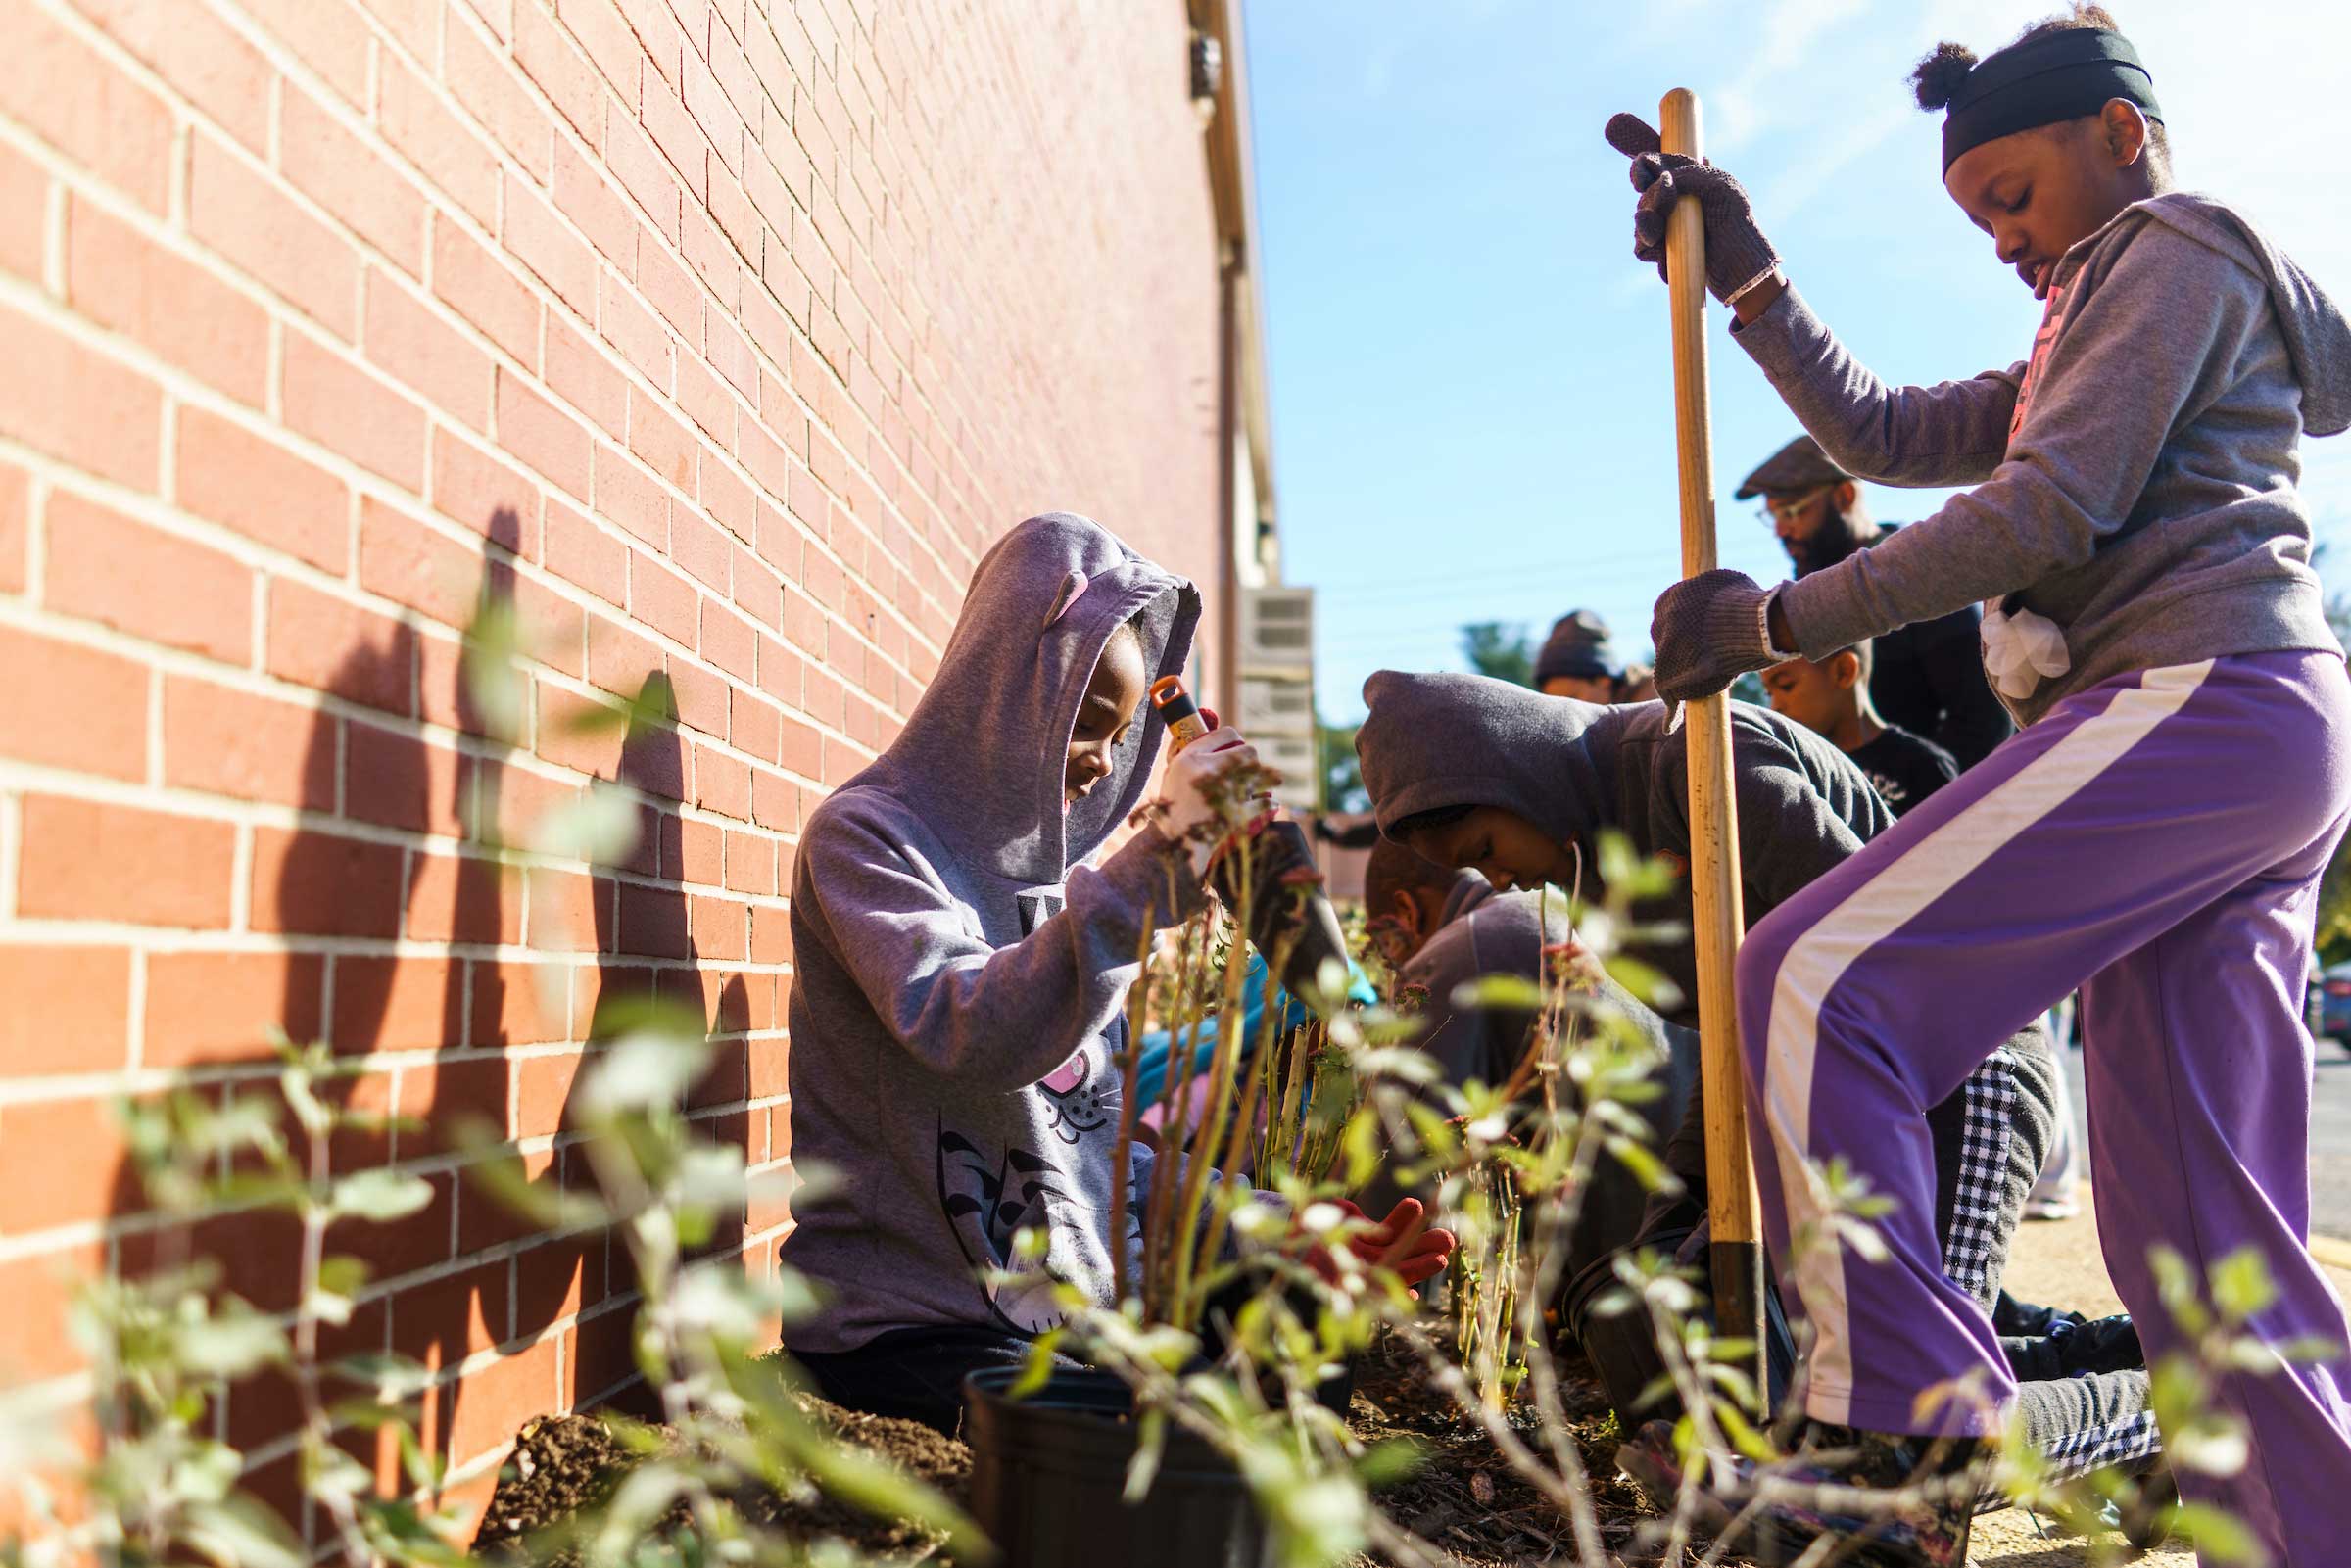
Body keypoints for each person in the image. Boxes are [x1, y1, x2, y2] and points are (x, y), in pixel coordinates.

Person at [1607, 6, 2351, 1560]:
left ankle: (1904, 1432)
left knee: (1816, 975)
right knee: (2205, 1231)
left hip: (2198, 695)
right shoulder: (2081, 327)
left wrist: (1775, 621)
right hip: (2252, 732)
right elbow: (1882, 429)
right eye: (1974, 216)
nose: (2001, 239)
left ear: (2120, 137)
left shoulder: (2177, 253)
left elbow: (2045, 507)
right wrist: (1750, 279)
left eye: (2011, 195)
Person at [1352, 675, 2156, 1492]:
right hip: (1832, 1110)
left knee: (1922, 1425)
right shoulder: (1593, 873)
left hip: (1957, 1069)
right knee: (1856, 1394)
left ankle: (2174, 1412)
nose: (1505, 884)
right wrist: (1687, 1205)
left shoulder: (1696, 760)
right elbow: (1732, 1035)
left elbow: (1884, 952)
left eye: (1486, 851)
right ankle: (2121, 1363)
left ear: (1509, 776)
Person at [779, 513, 1448, 1434]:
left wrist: (1274, 1224)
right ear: (1002, 690)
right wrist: (1161, 857)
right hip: (915, 1326)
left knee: (1297, 1336)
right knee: (1143, 1439)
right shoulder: (868, 840)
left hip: (1069, 1317)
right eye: (1086, 721)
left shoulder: (1063, 895)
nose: (1102, 762)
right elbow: (971, 1028)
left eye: (1124, 731)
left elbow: (1088, 1154)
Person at [1738, 437, 2012, 769]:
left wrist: (1921, 800)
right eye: (1772, 517)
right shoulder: (1807, 601)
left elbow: (1982, 719)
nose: (1781, 530)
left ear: (1844, 496)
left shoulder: (1914, 573)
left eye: (1792, 512)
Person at [1759, 639, 1958, 816]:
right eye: (1769, 694)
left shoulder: (1925, 766)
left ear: (1844, 671)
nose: (1775, 707)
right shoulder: (1792, 773)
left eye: (1785, 685)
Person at [1533, 609, 1655, 704]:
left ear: (1603, 680)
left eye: (1572, 699)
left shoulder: (1656, 703)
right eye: (1555, 705)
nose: (1565, 712)